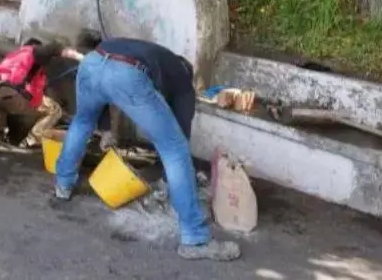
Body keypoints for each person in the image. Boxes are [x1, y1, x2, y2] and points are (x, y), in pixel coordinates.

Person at [53, 34, 241, 262]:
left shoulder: (156, 55)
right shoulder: (182, 78)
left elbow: (105, 81)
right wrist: (169, 175)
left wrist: (105, 129)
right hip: (126, 73)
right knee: (175, 148)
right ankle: (195, 239)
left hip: (92, 62)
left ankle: (63, 185)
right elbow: (178, 133)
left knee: (82, 121)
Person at [0, 38, 84, 148]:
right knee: (54, 109)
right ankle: (30, 142)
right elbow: (54, 47)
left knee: (3, 101)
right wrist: (82, 58)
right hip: (10, 95)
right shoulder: (34, 52)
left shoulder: (16, 55)